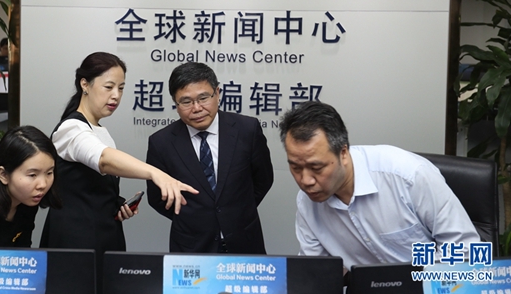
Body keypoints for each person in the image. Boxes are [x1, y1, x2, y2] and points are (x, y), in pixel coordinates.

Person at [40, 52, 197, 280]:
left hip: (104, 237)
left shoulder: (99, 130)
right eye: (109, 87)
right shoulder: (71, 128)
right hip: (75, 243)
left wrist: (115, 205)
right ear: (85, 84)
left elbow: (90, 186)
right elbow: (103, 159)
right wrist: (156, 174)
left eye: (121, 88)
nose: (116, 95)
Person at [278, 100, 481, 271]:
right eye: (295, 167)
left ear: (343, 153)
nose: (306, 180)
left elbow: (466, 251)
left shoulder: (409, 176)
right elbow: (316, 272)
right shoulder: (307, 202)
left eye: (316, 167)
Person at [146, 62, 274, 253]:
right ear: (175, 103)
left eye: (203, 98)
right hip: (192, 247)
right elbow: (157, 198)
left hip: (244, 242)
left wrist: (235, 212)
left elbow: (263, 180)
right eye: (186, 102)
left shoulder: (247, 130)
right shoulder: (161, 142)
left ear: (217, 93)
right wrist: (193, 219)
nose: (197, 108)